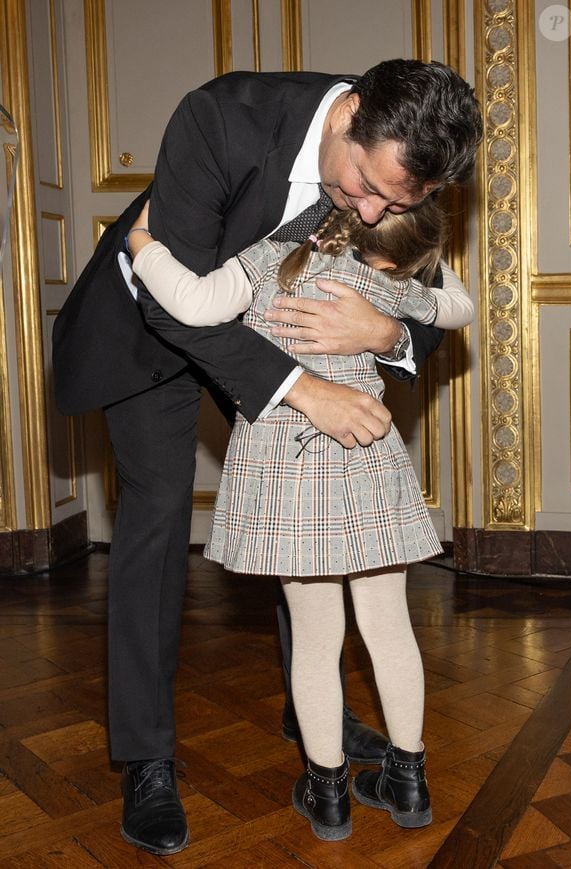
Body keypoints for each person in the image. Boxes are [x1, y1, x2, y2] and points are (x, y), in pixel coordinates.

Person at [52, 59, 482, 855]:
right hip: (162, 331)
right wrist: (301, 388)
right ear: (349, 113)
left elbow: (426, 287)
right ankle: (146, 758)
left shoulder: (404, 152)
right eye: (363, 186)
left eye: (396, 201)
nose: (369, 208)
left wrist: (382, 332)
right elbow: (182, 306)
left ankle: (310, 713)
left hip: (279, 325)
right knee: (153, 516)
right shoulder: (221, 119)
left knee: (304, 510)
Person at [125, 193, 474, 841]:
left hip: (287, 464)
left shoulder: (268, 258)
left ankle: (329, 794)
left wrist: (144, 245)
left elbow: (194, 304)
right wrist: (416, 282)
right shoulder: (385, 284)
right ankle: (408, 780)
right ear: (399, 257)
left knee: (315, 637)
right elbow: (460, 306)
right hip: (367, 450)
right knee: (389, 622)